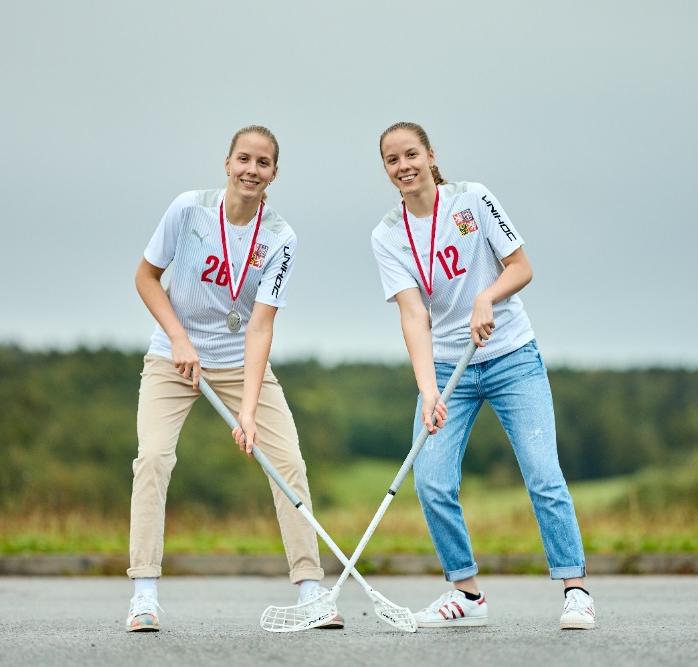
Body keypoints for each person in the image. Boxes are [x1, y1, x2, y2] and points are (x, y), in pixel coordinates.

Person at [370, 122, 595, 630]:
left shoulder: (473, 200)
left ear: (430, 155)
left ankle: (575, 588)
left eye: (411, 154)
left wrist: (485, 297)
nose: (403, 166)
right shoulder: (387, 236)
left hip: (512, 354)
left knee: (542, 472)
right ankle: (466, 593)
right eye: (391, 159)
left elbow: (520, 266)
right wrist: (428, 390)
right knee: (430, 479)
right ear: (385, 169)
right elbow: (413, 316)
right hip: (450, 367)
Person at [125, 125, 342, 632]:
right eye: (243, 159)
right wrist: (178, 337)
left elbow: (261, 324)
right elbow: (145, 277)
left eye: (262, 163)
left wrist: (246, 410)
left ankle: (311, 589)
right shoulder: (188, 209)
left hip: (241, 360)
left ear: (274, 174)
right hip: (172, 357)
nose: (251, 169)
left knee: (286, 461)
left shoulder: (280, 237)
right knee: (153, 458)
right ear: (227, 163)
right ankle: (144, 593)